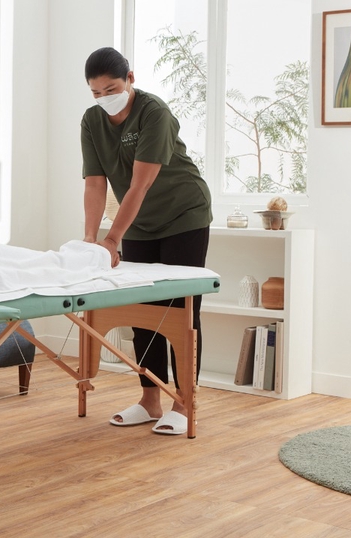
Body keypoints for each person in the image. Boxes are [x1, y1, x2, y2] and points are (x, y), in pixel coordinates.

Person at [81, 47, 212, 435]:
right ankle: (150, 399)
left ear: (130, 79)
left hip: (183, 216)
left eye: (112, 89)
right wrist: (90, 239)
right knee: (143, 314)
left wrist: (112, 239)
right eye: (96, 93)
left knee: (182, 312)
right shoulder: (92, 121)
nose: (105, 98)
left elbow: (140, 185)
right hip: (138, 223)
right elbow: (95, 184)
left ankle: (184, 403)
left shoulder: (154, 113)